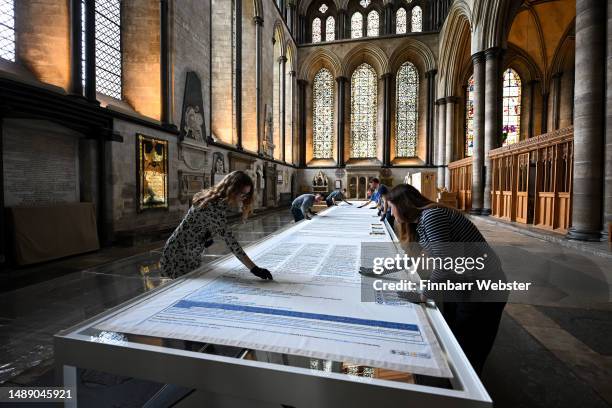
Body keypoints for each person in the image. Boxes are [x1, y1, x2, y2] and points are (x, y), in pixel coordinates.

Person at [386, 183, 507, 375]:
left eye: (391, 208)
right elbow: (417, 257)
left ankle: (467, 397)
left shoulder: (433, 216)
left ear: (403, 206)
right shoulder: (421, 221)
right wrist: (384, 269)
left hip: (483, 288)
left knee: (469, 349)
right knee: (454, 339)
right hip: (461, 285)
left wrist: (423, 296)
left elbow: (444, 263)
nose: (391, 214)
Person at [160, 171, 273, 280]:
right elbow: (231, 243)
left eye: (247, 195)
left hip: (190, 252)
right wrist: (254, 269)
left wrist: (206, 235)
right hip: (178, 255)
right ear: (232, 190)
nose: (244, 198)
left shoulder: (215, 200)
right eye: (242, 193)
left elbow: (198, 223)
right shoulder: (213, 207)